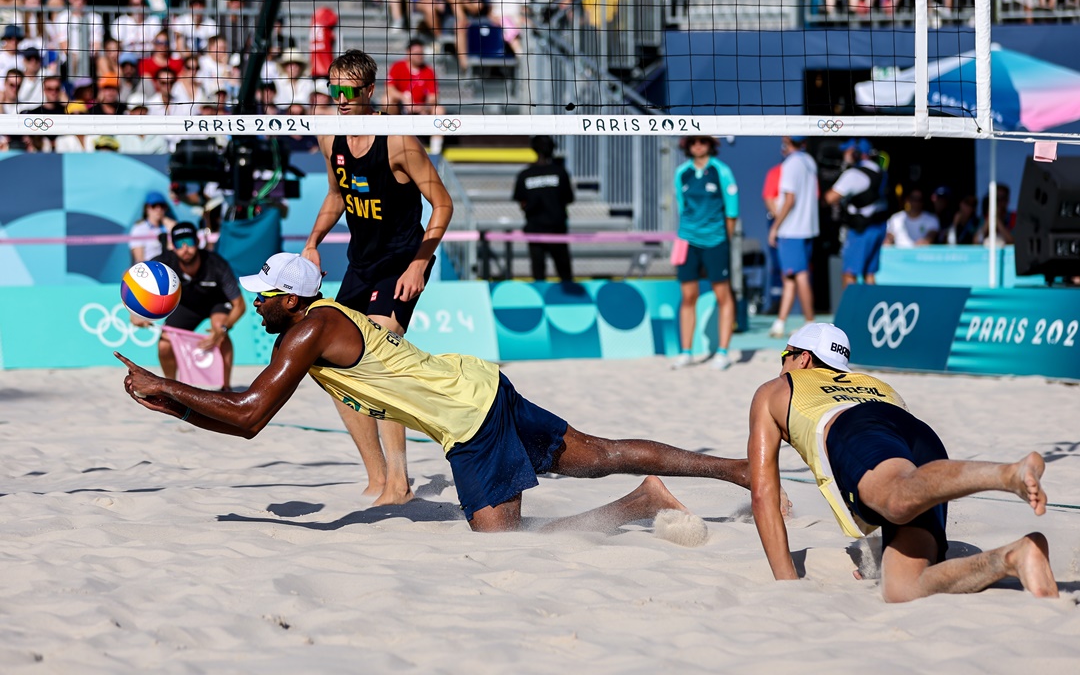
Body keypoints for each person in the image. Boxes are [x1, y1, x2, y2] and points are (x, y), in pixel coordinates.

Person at [116, 252, 763, 533]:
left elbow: (250, 415)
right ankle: (738, 470)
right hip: (478, 381)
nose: (256, 305)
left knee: (505, 544)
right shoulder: (318, 325)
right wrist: (174, 402)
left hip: (467, 416)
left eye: (263, 296)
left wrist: (164, 383)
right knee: (596, 452)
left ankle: (637, 507)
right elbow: (244, 415)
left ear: (292, 298)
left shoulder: (309, 328)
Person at [747, 322, 1057, 602]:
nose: (781, 365)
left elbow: (763, 494)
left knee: (896, 498)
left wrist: (786, 582)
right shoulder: (875, 383)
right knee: (902, 588)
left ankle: (1007, 474)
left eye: (784, 356)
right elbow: (894, 449)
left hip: (855, 429)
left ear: (802, 358)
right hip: (919, 436)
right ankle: (1013, 557)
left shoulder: (775, 389)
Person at [302, 49, 454, 507]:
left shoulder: (400, 141)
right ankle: (377, 476)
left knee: (382, 356)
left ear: (370, 91)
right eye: (334, 89)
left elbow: (443, 204)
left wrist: (419, 264)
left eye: (349, 90)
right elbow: (336, 195)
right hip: (359, 263)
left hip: (400, 262)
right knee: (328, 362)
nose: (341, 98)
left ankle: (400, 483)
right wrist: (312, 243)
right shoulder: (331, 138)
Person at [133, 222, 246, 391]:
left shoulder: (216, 264)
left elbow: (240, 305)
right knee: (164, 343)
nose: (185, 248)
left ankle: (226, 387)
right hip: (187, 306)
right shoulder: (164, 263)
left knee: (220, 332)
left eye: (189, 242)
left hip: (216, 303)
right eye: (179, 243)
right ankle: (170, 387)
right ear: (173, 245)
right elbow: (136, 282)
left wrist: (224, 328)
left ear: (198, 242)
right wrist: (136, 312)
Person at [669, 135, 738, 371]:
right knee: (688, 296)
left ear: (711, 144)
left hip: (716, 241)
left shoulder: (722, 171)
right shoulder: (682, 173)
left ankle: (723, 352)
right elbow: (682, 207)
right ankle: (686, 352)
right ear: (687, 145)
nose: (697, 144)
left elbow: (732, 211)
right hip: (688, 240)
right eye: (693, 141)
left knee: (723, 295)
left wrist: (723, 240)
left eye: (703, 140)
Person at [768, 136, 819, 338]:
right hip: (806, 228)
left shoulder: (791, 164)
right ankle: (780, 323)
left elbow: (789, 199)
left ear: (788, 142)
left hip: (792, 230)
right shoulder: (810, 161)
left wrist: (775, 227)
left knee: (800, 276)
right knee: (790, 277)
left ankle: (810, 324)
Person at [823, 138, 890, 289]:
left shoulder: (854, 175)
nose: (844, 155)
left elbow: (829, 198)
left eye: (847, 152)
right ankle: (873, 311)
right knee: (869, 274)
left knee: (849, 274)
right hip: (878, 227)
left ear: (857, 154)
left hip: (862, 229)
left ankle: (851, 312)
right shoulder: (880, 171)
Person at [511, 134, 575, 283]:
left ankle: (542, 300)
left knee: (538, 272)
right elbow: (569, 199)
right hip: (555, 228)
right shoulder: (560, 172)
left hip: (537, 229)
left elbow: (522, 203)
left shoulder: (525, 175)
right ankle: (569, 302)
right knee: (564, 271)